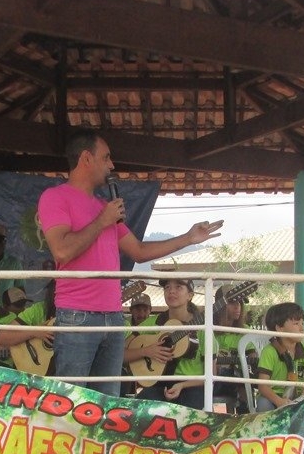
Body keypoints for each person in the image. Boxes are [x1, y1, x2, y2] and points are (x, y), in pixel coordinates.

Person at [37, 130, 222, 396]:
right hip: (77, 316)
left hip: (114, 317)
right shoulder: (56, 197)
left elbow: (139, 251)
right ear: (86, 158)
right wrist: (102, 220)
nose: (112, 165)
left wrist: (188, 238)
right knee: (72, 400)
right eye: (106, 157)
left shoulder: (105, 207)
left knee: (109, 400)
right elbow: (62, 251)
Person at [125, 278, 213, 410]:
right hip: (158, 385)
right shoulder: (153, 323)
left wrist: (182, 385)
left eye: (178, 287)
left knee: (188, 415)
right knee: (137, 412)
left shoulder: (203, 327)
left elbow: (212, 375)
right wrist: (146, 351)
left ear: (190, 295)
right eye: (167, 287)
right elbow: (121, 354)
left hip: (192, 387)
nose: (171, 291)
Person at [255, 302, 304, 431]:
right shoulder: (269, 351)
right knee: (263, 404)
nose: (301, 328)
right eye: (296, 324)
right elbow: (263, 386)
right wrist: (279, 401)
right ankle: (269, 439)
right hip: (274, 397)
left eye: (302, 323)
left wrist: (300, 401)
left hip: (300, 396)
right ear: (279, 328)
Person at [212, 284, 249, 413]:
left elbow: (253, 358)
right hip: (212, 383)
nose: (238, 306)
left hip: (236, 383)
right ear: (219, 305)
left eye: (240, 302)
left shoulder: (245, 331)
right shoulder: (207, 328)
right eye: (232, 302)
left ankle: (245, 413)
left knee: (241, 373)